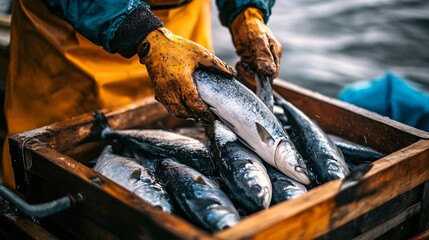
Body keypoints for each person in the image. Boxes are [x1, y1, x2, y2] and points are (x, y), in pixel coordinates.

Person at [2, 0, 282, 188]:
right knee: (51, 178)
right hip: (71, 41)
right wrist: (143, 34)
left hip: (182, 37)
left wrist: (248, 11)